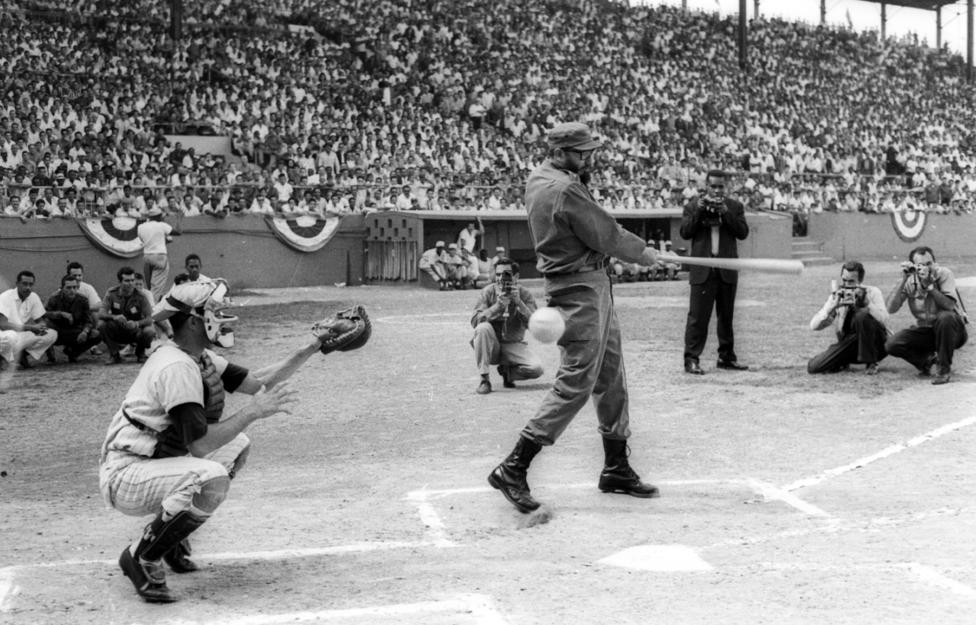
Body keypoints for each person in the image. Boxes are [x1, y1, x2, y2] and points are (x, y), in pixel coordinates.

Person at [98, 282, 366, 603]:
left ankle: (168, 539)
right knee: (210, 479)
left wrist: (313, 344)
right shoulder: (176, 367)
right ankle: (141, 555)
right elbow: (199, 446)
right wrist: (252, 412)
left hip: (153, 462)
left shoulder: (197, 355)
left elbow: (259, 382)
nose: (222, 316)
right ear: (195, 320)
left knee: (237, 444)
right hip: (127, 476)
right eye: (213, 310)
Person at [488, 122, 665, 514]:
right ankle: (514, 466)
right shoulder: (565, 188)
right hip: (580, 291)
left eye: (590, 151)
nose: (589, 158)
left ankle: (616, 466)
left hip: (590, 285)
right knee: (577, 382)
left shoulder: (542, 176)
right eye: (581, 153)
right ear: (559, 151)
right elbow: (607, 235)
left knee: (610, 375)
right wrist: (644, 252)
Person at [679, 169, 750, 375]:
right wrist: (700, 211)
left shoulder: (735, 207)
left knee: (726, 317)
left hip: (726, 270)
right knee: (697, 318)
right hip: (703, 271)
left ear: (725, 187)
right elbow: (685, 232)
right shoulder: (693, 206)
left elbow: (742, 233)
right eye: (713, 186)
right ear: (706, 186)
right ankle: (691, 359)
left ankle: (726, 357)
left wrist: (725, 211)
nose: (717, 190)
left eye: (721, 186)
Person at [884, 246, 968, 385]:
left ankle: (943, 370)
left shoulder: (944, 274)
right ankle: (927, 362)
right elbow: (891, 309)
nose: (926, 268)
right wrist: (903, 279)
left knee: (945, 317)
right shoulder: (911, 280)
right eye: (921, 265)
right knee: (892, 344)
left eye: (929, 264)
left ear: (935, 263)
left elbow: (949, 306)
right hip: (928, 330)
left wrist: (930, 287)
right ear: (913, 266)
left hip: (953, 331)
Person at [470, 257, 544, 394]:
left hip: (513, 345)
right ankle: (484, 379)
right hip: (492, 346)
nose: (501, 279)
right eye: (498, 274)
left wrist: (519, 303)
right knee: (482, 328)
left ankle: (508, 372)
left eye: (506, 274)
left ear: (516, 276)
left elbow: (535, 325)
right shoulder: (488, 292)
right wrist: (497, 307)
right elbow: (475, 321)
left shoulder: (524, 294)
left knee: (537, 368)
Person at [807, 261, 889, 375]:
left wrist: (867, 304)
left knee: (862, 315)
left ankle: (871, 362)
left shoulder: (872, 292)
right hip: (850, 343)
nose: (847, 284)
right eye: (844, 280)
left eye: (851, 281)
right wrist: (833, 306)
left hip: (875, 345)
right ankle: (842, 360)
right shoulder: (838, 295)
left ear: (860, 281)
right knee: (814, 366)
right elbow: (814, 326)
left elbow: (884, 320)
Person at [0, 270, 58, 370]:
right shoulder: (6, 296)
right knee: (11, 337)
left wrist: (41, 326)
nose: (28, 287)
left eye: (31, 284)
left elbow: (40, 320)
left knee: (51, 334)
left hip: (20, 333)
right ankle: (3, 359)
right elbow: (2, 324)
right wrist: (30, 327)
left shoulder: (33, 297)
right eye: (24, 284)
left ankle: (20, 355)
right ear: (17, 284)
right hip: (4, 334)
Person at [98, 266, 155, 364]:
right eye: (127, 281)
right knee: (101, 325)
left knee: (149, 331)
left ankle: (140, 353)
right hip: (118, 328)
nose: (131, 283)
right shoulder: (112, 293)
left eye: (132, 280)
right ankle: (114, 355)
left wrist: (137, 323)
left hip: (135, 331)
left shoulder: (141, 296)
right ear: (120, 282)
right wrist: (114, 317)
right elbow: (101, 313)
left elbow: (150, 318)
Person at [44, 273, 103, 363]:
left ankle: (73, 353)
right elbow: (43, 314)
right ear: (62, 288)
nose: (72, 290)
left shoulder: (83, 300)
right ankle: (50, 356)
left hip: (74, 331)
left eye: (75, 287)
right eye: (68, 288)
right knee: (45, 326)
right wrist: (60, 314)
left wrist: (84, 332)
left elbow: (88, 321)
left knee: (96, 334)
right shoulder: (54, 298)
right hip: (57, 332)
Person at [138, 207, 180, 303]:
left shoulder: (141, 227)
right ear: (159, 217)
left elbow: (147, 241)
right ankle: (152, 312)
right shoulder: (161, 225)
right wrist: (179, 219)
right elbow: (178, 232)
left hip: (147, 257)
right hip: (160, 257)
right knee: (155, 290)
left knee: (150, 288)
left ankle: (148, 307)